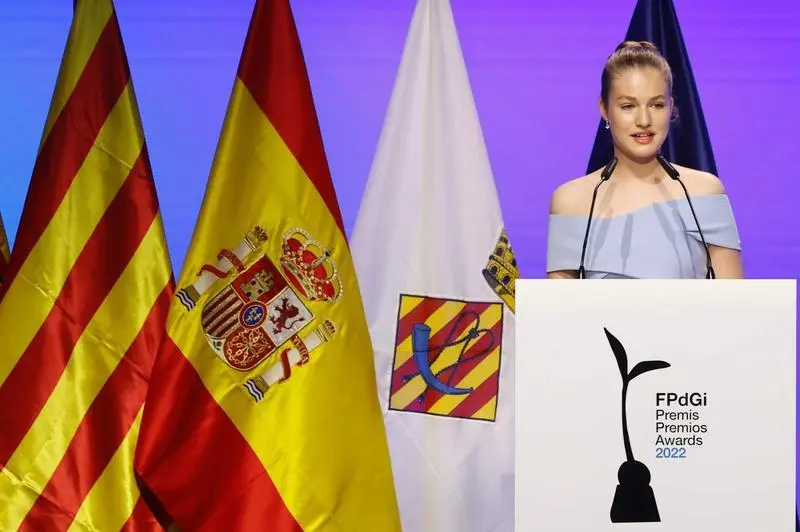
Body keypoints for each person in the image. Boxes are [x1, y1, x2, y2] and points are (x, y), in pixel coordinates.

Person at [546, 41, 743, 279]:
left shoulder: (704, 193)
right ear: (605, 109)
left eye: (656, 105)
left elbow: (733, 298)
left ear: (671, 107)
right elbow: (559, 301)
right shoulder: (571, 201)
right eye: (628, 106)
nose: (644, 120)